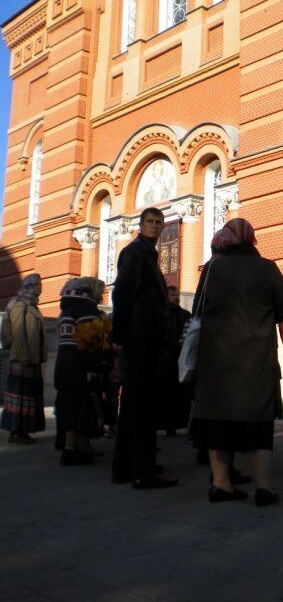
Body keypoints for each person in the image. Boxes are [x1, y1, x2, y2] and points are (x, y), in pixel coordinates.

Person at [193, 218, 283, 506]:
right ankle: (263, 488)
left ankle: (221, 484)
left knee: (218, 424)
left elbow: (198, 308)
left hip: (216, 362)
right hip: (256, 361)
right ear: (251, 239)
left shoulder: (212, 270)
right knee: (258, 426)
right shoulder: (267, 268)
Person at [111, 207, 178, 489]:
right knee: (143, 405)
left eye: (159, 222)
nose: (155, 226)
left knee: (133, 405)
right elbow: (122, 292)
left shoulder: (145, 253)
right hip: (141, 338)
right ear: (140, 225)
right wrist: (122, 333)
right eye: (150, 222)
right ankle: (144, 471)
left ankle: (128, 467)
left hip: (141, 336)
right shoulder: (138, 252)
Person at [54, 277, 110, 465]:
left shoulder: (66, 310)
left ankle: (73, 447)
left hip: (64, 365)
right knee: (79, 408)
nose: (102, 295)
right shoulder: (85, 309)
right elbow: (92, 342)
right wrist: (97, 365)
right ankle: (71, 451)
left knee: (69, 407)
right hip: (79, 368)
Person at [0, 274, 46, 443]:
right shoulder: (20, 305)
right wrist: (25, 357)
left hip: (31, 360)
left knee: (28, 396)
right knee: (20, 397)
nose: (39, 288)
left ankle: (23, 431)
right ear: (29, 286)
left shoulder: (32, 306)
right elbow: (19, 334)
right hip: (22, 361)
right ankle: (15, 432)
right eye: (37, 285)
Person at [159, 285, 191, 436]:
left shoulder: (184, 315)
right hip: (165, 360)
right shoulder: (161, 313)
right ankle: (167, 424)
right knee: (165, 394)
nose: (176, 297)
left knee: (179, 394)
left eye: (177, 294)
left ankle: (176, 423)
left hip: (179, 359)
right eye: (173, 295)